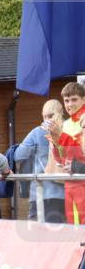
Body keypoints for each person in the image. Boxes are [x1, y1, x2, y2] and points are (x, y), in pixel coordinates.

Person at [15, 99, 66, 223]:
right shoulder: (69, 129)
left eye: (49, 116)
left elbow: (19, 156)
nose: (47, 119)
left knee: (40, 235)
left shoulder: (38, 132)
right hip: (67, 191)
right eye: (45, 116)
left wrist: (29, 148)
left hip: (41, 191)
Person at [48, 82, 85, 224]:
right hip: (70, 182)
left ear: (84, 99)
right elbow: (62, 159)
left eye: (74, 99)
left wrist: (61, 137)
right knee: (73, 227)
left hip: (82, 180)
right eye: (66, 100)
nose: (70, 104)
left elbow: (81, 152)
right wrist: (55, 143)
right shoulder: (66, 124)